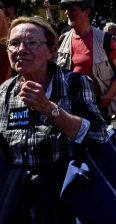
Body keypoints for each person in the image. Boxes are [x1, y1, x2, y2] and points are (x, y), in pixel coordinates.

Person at [0, 16, 107, 223]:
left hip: (64, 197)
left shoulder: (73, 83)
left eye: (32, 43)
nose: (21, 49)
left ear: (51, 50)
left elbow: (98, 135)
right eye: (14, 43)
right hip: (17, 197)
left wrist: (49, 109)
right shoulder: (5, 92)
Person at [56, 0, 116, 126]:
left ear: (86, 11)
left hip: (97, 107)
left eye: (71, 9)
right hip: (69, 108)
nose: (66, 12)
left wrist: (108, 97)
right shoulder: (63, 39)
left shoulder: (104, 39)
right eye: (65, 9)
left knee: (101, 145)